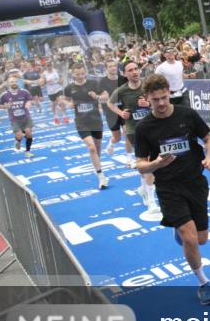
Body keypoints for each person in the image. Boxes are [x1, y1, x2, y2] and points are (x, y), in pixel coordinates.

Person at [135, 73, 210, 306]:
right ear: (147, 99)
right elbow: (140, 163)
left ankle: (180, 231)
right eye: (155, 100)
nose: (161, 103)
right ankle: (204, 283)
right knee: (190, 238)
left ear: (170, 94)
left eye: (164, 97)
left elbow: (209, 138)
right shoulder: (144, 128)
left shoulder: (187, 114)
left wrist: (209, 157)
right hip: (168, 187)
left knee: (201, 239)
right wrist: (156, 164)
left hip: (195, 182)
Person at [109, 61, 161, 218]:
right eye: (130, 70)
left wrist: (148, 105)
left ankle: (143, 188)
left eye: (136, 69)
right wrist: (121, 113)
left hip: (152, 127)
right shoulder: (121, 90)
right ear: (125, 74)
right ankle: (152, 201)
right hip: (134, 131)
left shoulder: (148, 85)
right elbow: (109, 103)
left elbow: (161, 103)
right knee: (149, 164)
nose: (134, 72)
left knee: (150, 164)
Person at [62, 64, 109, 190]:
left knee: (98, 146)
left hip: (95, 120)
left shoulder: (94, 83)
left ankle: (97, 165)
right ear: (73, 74)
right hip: (81, 121)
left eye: (82, 73)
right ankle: (101, 176)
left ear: (85, 72)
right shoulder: (69, 88)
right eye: (77, 74)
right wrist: (68, 104)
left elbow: (106, 96)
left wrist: (97, 97)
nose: (80, 76)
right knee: (92, 147)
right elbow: (64, 99)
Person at [0, 74, 35, 156]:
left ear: (18, 82)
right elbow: (0, 105)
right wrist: (5, 106)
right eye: (12, 82)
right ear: (8, 83)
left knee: (28, 133)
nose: (14, 83)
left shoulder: (24, 92)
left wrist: (29, 103)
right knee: (19, 136)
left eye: (15, 81)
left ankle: (27, 152)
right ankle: (18, 141)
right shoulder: (5, 94)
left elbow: (30, 100)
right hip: (14, 119)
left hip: (26, 117)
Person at [99, 61, 125, 156]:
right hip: (110, 112)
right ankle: (111, 144)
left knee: (128, 133)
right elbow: (101, 97)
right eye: (110, 66)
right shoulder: (102, 82)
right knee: (117, 137)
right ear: (106, 69)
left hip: (123, 110)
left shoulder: (123, 79)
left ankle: (129, 159)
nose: (113, 68)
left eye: (114, 66)